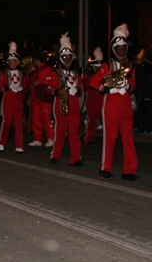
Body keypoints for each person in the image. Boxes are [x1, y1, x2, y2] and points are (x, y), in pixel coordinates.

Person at [90, 24, 139, 180]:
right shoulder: (108, 65)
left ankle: (129, 171)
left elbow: (134, 84)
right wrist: (109, 89)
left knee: (128, 138)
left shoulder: (130, 65)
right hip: (111, 102)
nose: (122, 50)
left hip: (125, 103)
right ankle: (105, 167)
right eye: (119, 48)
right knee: (110, 138)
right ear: (114, 49)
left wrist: (128, 86)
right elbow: (94, 82)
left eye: (124, 47)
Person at [50, 33, 85, 166]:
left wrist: (77, 91)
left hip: (74, 103)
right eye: (64, 57)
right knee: (60, 131)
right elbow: (52, 90)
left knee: (74, 132)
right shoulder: (56, 72)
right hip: (60, 103)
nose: (67, 59)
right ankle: (55, 155)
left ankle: (76, 158)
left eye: (69, 56)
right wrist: (60, 91)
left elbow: (81, 89)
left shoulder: (76, 72)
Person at [0, 42, 28, 153]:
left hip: (18, 99)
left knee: (19, 123)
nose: (13, 63)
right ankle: (1, 142)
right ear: (8, 62)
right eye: (11, 61)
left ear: (17, 62)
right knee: (7, 122)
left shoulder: (21, 73)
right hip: (8, 99)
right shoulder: (3, 73)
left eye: (14, 61)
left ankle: (19, 145)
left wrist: (22, 89)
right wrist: (8, 87)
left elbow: (25, 85)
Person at [28, 50, 57, 147]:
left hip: (44, 98)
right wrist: (31, 98)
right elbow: (33, 86)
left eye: (34, 60)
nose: (33, 62)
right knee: (36, 118)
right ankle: (38, 139)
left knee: (46, 118)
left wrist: (40, 82)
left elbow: (51, 82)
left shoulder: (47, 69)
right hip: (36, 98)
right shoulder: (37, 70)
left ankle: (51, 138)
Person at [84, 48, 104, 144]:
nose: (99, 69)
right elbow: (89, 85)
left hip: (101, 100)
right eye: (97, 68)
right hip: (92, 101)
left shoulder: (102, 75)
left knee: (104, 120)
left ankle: (107, 138)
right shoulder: (88, 75)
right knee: (91, 121)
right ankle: (88, 138)